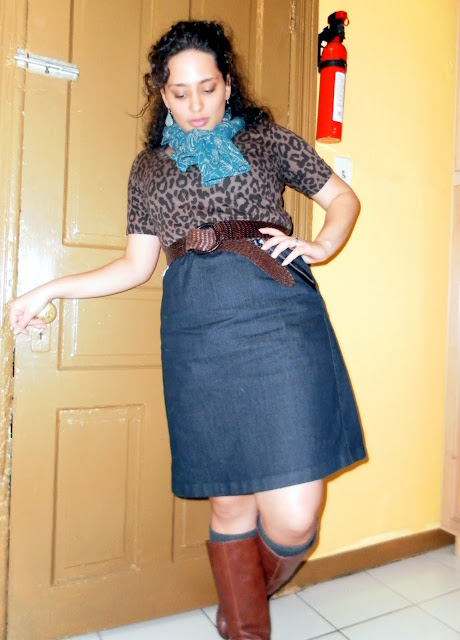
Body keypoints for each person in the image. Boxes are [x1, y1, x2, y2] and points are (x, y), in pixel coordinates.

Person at [9, 20, 366, 640]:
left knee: (295, 515)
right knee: (229, 500)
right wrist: (49, 288)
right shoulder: (148, 169)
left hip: (282, 317)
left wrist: (323, 245)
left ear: (228, 84)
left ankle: (240, 601)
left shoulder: (268, 140)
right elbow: (135, 266)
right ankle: (244, 626)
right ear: (162, 93)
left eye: (208, 88)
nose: (196, 105)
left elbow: (343, 198)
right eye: (180, 92)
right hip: (198, 331)